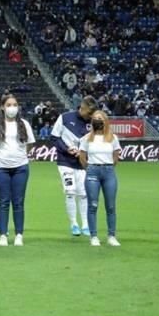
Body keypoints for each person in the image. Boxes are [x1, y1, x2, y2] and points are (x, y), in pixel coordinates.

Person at [0, 94, 35, 247]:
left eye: (15, 104)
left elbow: (30, 143)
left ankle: (19, 234)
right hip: (0, 169)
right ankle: (3, 235)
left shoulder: (24, 124)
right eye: (9, 104)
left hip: (20, 167)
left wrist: (22, 155)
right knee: (3, 201)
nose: (12, 107)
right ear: (2, 107)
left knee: (18, 202)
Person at [51, 96, 98, 237]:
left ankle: (85, 224)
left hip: (83, 163)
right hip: (65, 162)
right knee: (70, 192)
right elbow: (54, 137)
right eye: (89, 113)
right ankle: (74, 224)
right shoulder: (65, 118)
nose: (90, 116)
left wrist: (85, 153)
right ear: (82, 108)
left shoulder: (93, 122)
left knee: (83, 194)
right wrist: (67, 149)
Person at [79, 110, 121, 247]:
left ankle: (111, 235)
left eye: (100, 118)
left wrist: (108, 166)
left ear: (105, 121)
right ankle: (93, 236)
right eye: (95, 118)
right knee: (92, 205)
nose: (98, 120)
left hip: (109, 172)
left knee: (111, 206)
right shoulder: (86, 139)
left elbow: (116, 156)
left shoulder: (112, 138)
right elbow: (82, 157)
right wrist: (90, 169)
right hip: (92, 171)